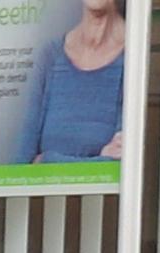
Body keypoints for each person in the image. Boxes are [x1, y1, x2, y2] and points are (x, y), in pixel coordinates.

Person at [19, 0, 127, 166]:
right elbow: (21, 162)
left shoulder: (133, 56)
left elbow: (117, 165)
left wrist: (46, 160)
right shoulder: (51, 55)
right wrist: (97, 160)